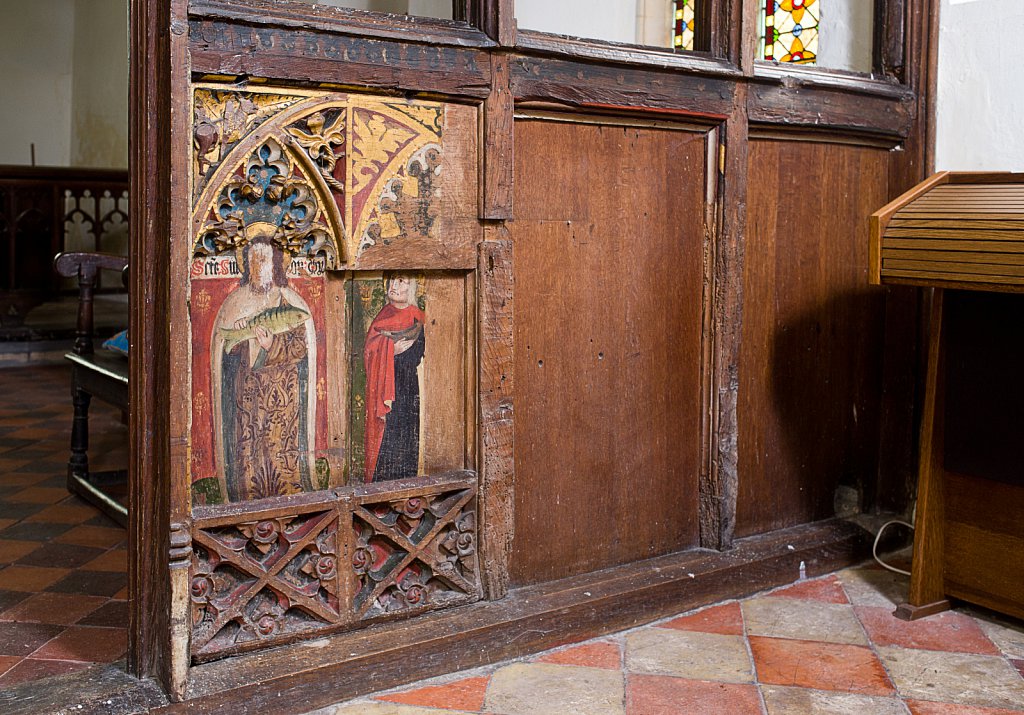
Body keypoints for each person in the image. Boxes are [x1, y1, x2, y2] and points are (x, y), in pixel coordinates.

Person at [211, 227, 317, 501]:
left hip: (283, 398)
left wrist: (272, 346)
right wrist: (239, 339)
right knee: (250, 451)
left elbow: (301, 349)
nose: (260, 267)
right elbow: (223, 357)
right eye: (254, 261)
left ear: (277, 263)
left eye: (265, 260)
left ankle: (288, 504)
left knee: (281, 452)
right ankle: (245, 503)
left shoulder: (290, 302)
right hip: (249, 398)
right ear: (246, 264)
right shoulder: (236, 302)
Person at [364, 275, 425, 482]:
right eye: (391, 281)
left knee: (408, 435)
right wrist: (390, 349)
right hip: (383, 387)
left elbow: (419, 353)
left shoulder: (417, 317)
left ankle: (406, 484)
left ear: (412, 287)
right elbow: (369, 351)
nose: (394, 286)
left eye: (401, 281)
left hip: (408, 388)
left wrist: (396, 351)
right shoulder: (382, 316)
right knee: (387, 437)